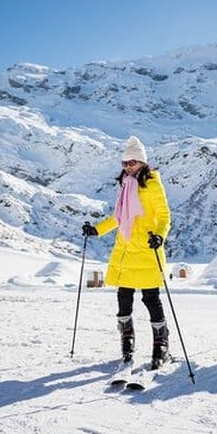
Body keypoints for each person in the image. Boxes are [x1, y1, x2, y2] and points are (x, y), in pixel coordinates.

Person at [82, 136, 172, 369]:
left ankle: (161, 344)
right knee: (124, 299)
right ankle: (127, 341)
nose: (128, 166)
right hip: (124, 250)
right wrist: (96, 230)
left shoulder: (152, 184)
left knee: (151, 299)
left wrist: (160, 236)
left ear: (142, 162)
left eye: (132, 162)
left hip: (146, 250)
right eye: (125, 163)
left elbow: (164, 216)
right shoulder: (125, 185)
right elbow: (118, 218)